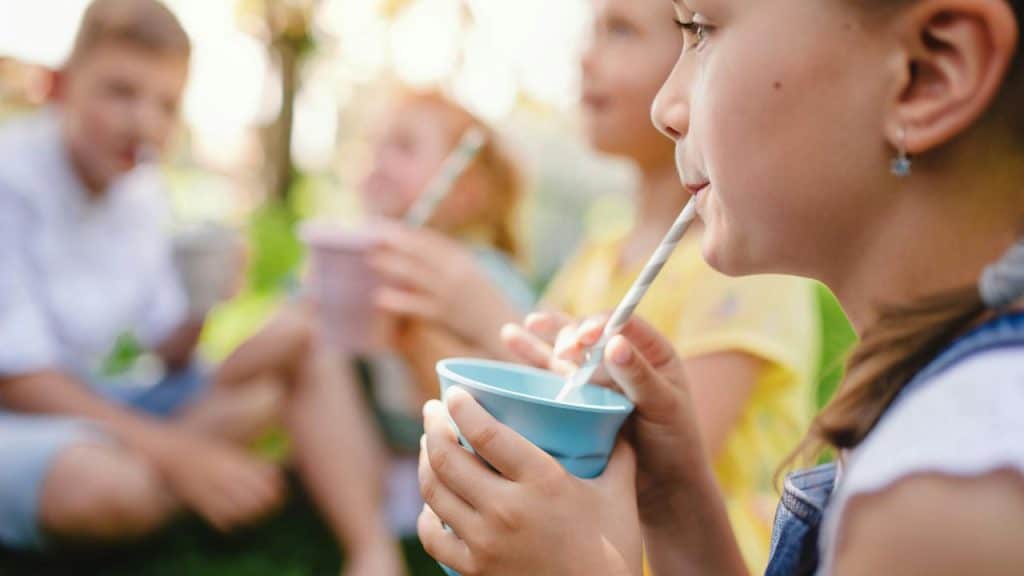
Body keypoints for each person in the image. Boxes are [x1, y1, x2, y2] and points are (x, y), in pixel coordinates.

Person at [416, 0, 1024, 574]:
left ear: (929, 72)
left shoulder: (948, 498)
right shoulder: (949, 433)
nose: (666, 108)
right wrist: (675, 499)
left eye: (702, 29)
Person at [0, 2, 398, 574]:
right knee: (105, 488)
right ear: (58, 86)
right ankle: (194, 481)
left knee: (301, 341)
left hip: (106, 405)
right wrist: (183, 456)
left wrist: (201, 306)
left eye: (166, 104)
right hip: (24, 423)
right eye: (120, 92)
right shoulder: (12, 182)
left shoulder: (139, 190)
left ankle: (372, 553)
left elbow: (166, 352)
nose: (145, 123)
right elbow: (21, 383)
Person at [512, 0, 818, 569]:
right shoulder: (600, 251)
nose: (585, 58)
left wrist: (474, 304)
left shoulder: (751, 265)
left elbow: (656, 467)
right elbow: (530, 397)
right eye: (591, 32)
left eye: (621, 31)